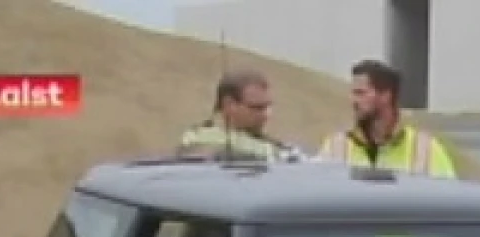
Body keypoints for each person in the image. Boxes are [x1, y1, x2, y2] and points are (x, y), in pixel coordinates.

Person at [315, 58, 457, 177]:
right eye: (353, 93)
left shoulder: (426, 151)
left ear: (385, 96)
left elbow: (450, 201)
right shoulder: (335, 148)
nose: (353, 101)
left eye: (360, 93)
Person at [178, 68, 307, 162]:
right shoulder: (200, 139)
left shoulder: (269, 144)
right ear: (229, 105)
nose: (266, 115)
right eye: (257, 108)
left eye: (268, 107)